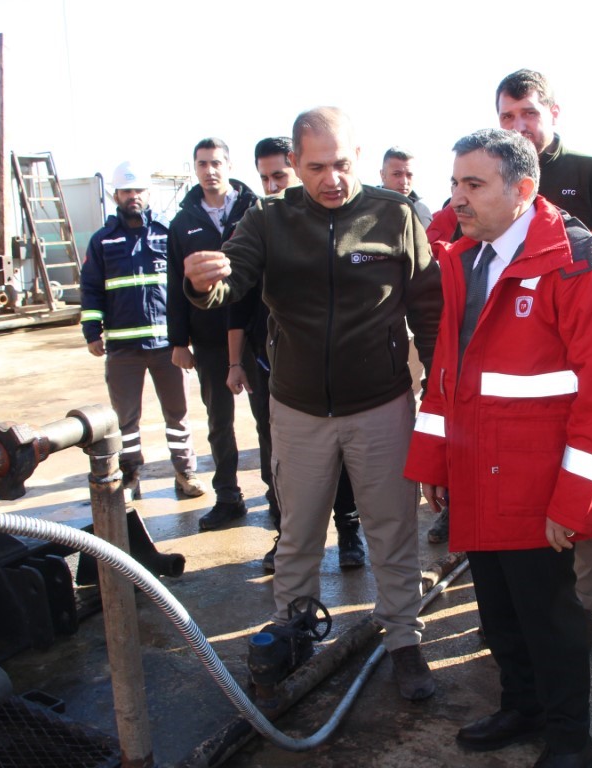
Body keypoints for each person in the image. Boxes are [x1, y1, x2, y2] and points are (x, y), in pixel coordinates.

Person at [184, 107, 442, 700]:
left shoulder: (395, 214)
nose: (333, 180)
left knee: (392, 528)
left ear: (358, 157)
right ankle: (294, 625)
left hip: (381, 403)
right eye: (317, 167)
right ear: (293, 165)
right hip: (298, 409)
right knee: (297, 530)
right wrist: (203, 283)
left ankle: (404, 639)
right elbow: (233, 280)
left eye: (343, 165)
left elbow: (427, 308)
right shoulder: (267, 218)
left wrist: (437, 390)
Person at [406, 127, 592, 768]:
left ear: (523, 189)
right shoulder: (468, 257)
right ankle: (521, 706)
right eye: (454, 184)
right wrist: (435, 461)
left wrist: (576, 499)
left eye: (473, 185)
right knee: (500, 612)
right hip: (479, 473)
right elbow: (448, 370)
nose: (457, 199)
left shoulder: (578, 264)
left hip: (538, 491)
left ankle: (569, 741)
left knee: (552, 622)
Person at [494, 68, 592, 606]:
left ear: (553, 114)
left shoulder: (591, 173)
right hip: (532, 361)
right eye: (508, 117)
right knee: (544, 457)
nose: (520, 127)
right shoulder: (497, 178)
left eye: (529, 114)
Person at [229, 136, 366, 571]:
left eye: (279, 177)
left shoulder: (343, 219)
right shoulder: (257, 220)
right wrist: (236, 361)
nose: (271, 186)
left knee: (341, 461)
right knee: (279, 459)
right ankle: (286, 534)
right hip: (274, 366)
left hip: (341, 377)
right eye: (265, 177)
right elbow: (235, 299)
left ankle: (348, 533)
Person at [81, 162, 205, 501]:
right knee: (126, 423)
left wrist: (190, 335)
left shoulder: (168, 233)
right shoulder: (102, 241)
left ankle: (186, 473)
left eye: (138, 191)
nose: (132, 197)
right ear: (116, 196)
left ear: (148, 194)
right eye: (126, 191)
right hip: (123, 348)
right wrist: (92, 332)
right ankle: (131, 477)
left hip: (168, 346)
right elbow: (91, 288)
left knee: (177, 417)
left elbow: (186, 286)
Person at [166, 138, 256, 530]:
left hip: (255, 333)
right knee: (219, 422)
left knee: (269, 421)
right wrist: (178, 341)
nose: (210, 170)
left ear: (229, 164)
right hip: (207, 337)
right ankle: (228, 496)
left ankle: (277, 495)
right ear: (195, 168)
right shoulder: (183, 223)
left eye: (216, 162)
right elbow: (174, 284)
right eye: (202, 164)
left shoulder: (253, 210)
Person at [380, 147, 433, 227]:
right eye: (397, 174)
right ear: (382, 175)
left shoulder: (422, 212)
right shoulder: (366, 207)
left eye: (409, 175)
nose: (404, 182)